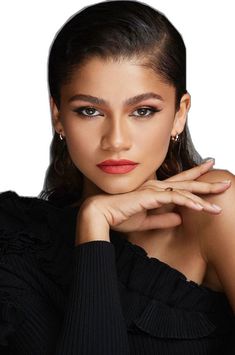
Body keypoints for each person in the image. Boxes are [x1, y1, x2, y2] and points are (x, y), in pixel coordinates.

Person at [0, 0, 235, 354]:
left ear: (178, 114)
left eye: (143, 111)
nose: (116, 141)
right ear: (58, 117)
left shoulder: (214, 206)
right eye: (89, 111)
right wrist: (94, 223)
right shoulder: (14, 239)